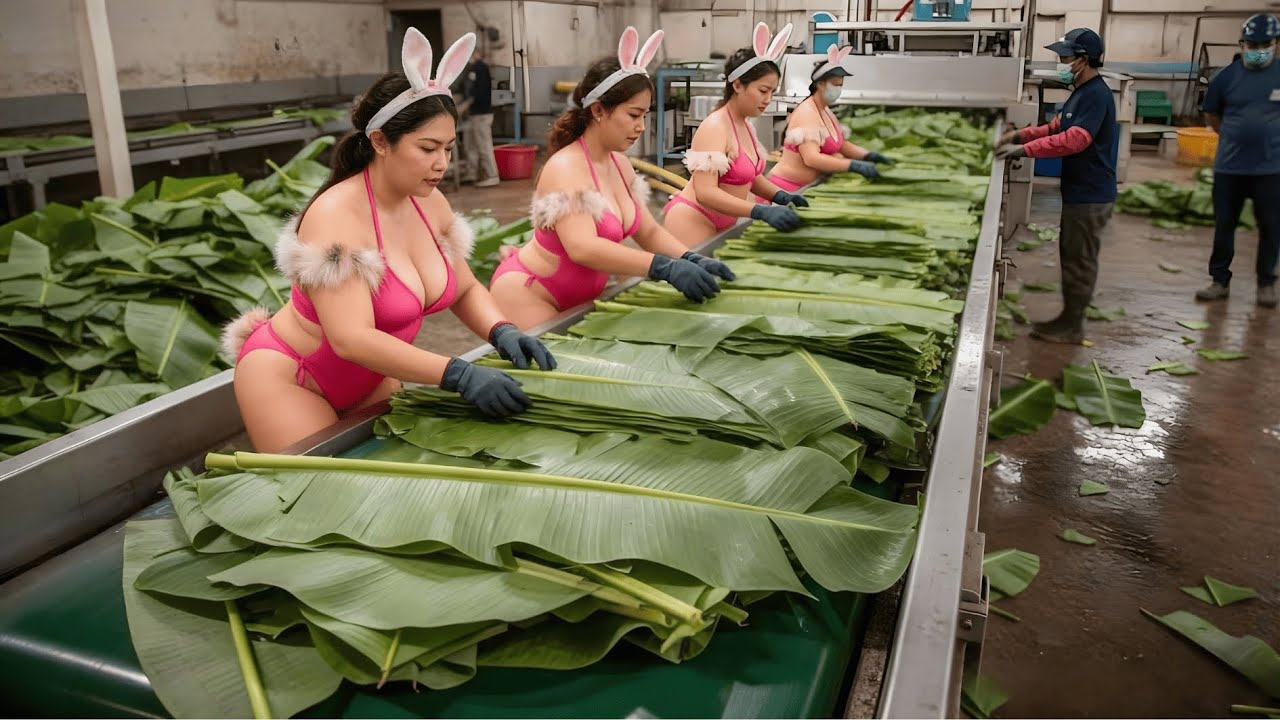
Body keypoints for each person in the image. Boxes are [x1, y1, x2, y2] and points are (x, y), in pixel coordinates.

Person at [221, 30, 554, 453]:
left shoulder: (429, 203)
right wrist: (458, 374)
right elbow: (351, 338)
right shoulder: (336, 215)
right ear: (380, 141)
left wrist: (501, 330)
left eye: (449, 148)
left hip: (372, 377)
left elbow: (464, 288)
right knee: (321, 489)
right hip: (295, 376)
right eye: (427, 148)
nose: (441, 164)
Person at [488, 27, 735, 330]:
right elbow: (583, 247)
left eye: (644, 115)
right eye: (633, 115)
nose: (641, 126)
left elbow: (648, 231)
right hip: (532, 293)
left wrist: (690, 258)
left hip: (584, 296)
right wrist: (661, 267)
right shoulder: (566, 167)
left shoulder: (620, 165)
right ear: (598, 110)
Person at [996, 28, 1117, 344]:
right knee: (1072, 255)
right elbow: (1056, 127)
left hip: (1091, 194)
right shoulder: (1081, 91)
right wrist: (1019, 135)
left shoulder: (1096, 94)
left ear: (1083, 59)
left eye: (1065, 57)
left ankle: (1072, 326)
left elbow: (1074, 139)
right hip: (1080, 190)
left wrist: (1023, 150)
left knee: (1079, 260)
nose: (1061, 63)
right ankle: (1069, 319)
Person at [663, 22, 806, 246]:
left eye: (772, 92)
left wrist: (780, 195)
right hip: (694, 219)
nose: (768, 99)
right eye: (763, 90)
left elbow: (749, 176)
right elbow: (705, 193)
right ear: (738, 85)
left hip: (725, 219)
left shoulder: (745, 126)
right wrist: (758, 210)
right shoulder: (715, 127)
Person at [1194, 13, 1280, 307]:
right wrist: (1235, 136)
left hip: (1271, 170)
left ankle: (1266, 283)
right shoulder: (1226, 77)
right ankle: (1219, 281)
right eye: (1252, 45)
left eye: (1265, 45)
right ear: (1242, 44)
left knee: (1271, 227)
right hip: (1230, 168)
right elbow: (1212, 115)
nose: (1258, 50)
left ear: (1276, 44)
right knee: (1224, 226)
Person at [766, 44, 893, 192]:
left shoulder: (824, 109)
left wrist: (868, 156)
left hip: (807, 187)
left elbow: (840, 145)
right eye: (835, 84)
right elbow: (811, 158)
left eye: (841, 85)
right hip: (786, 189)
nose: (838, 89)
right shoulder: (807, 113)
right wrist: (852, 165)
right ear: (820, 84)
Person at [462, 44, 500, 188]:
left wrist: (465, 105)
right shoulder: (472, 68)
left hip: (482, 113)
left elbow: (480, 93)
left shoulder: (481, 67)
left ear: (477, 52)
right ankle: (472, 173)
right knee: (471, 145)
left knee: (484, 146)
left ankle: (492, 175)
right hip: (474, 114)